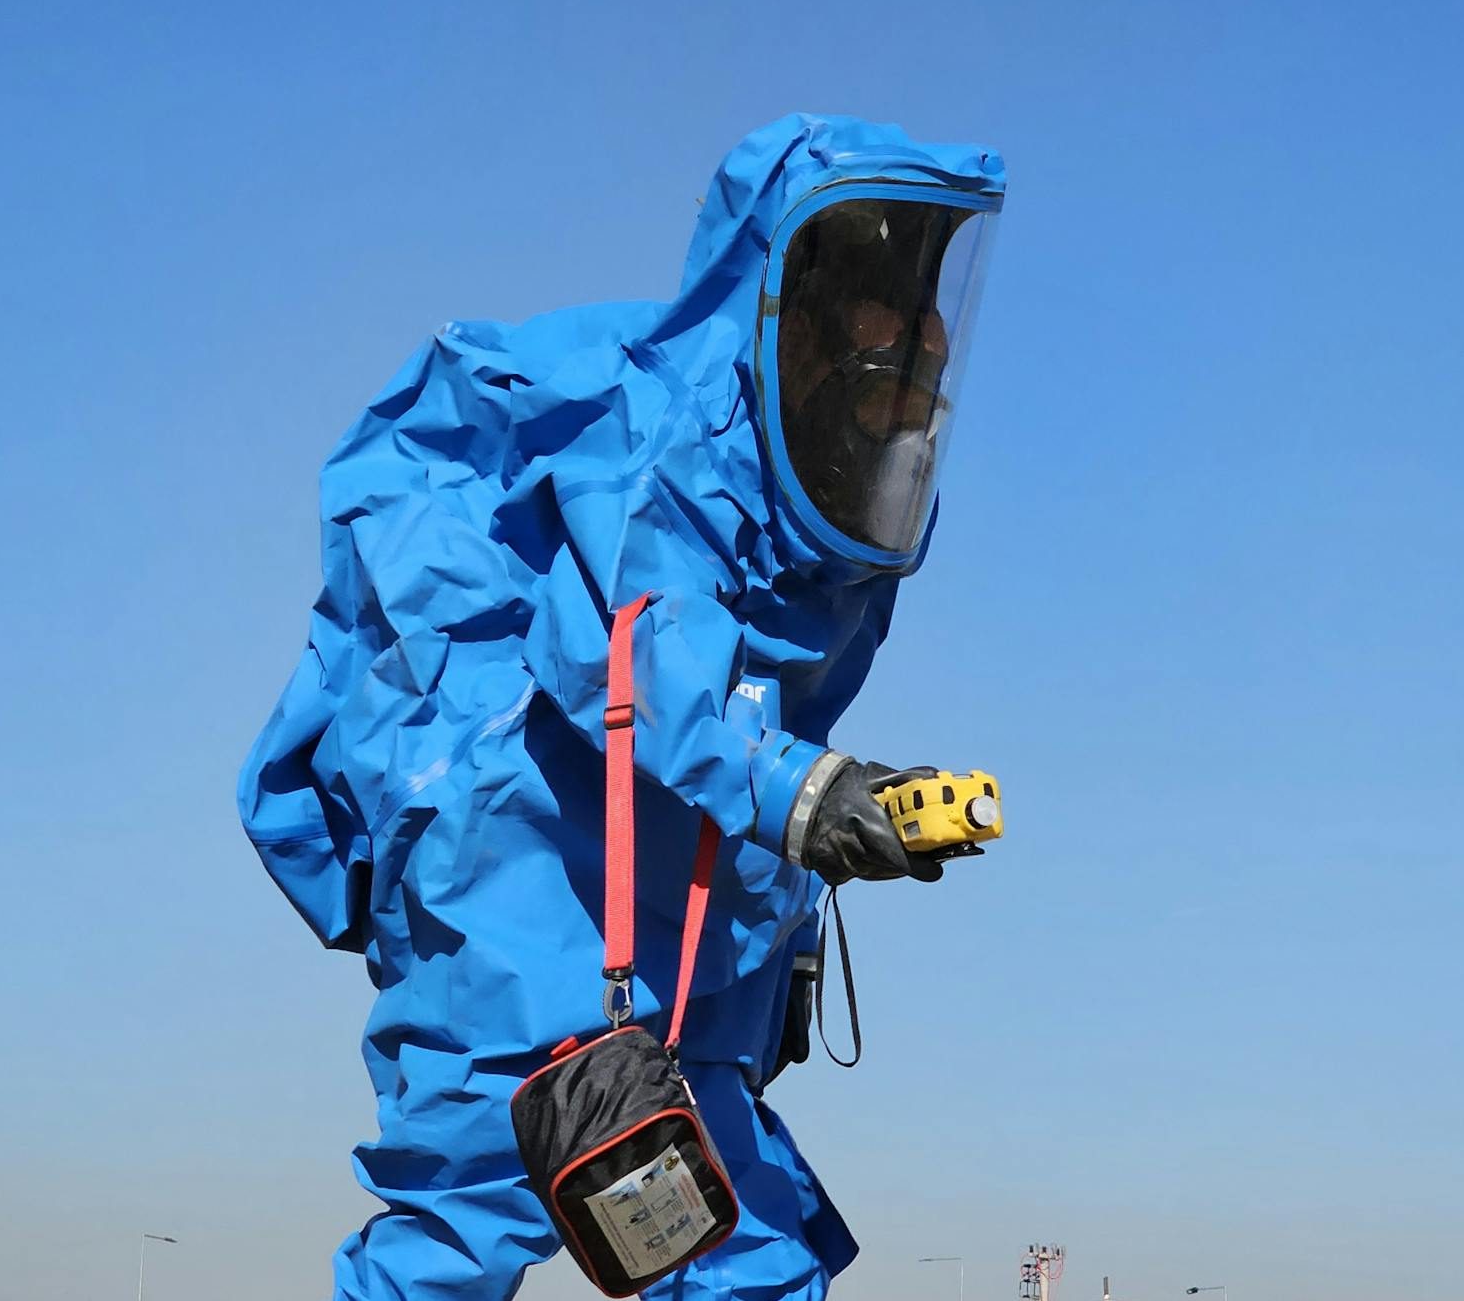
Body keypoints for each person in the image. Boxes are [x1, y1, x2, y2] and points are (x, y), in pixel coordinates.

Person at [239, 113, 1006, 1300]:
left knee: (739, 1223)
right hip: (517, 866)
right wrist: (807, 798)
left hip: (670, 898)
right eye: (885, 305)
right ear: (794, 313)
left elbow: (751, 705)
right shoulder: (661, 449)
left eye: (928, 307)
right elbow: (636, 666)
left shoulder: (820, 499)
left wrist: (794, 912)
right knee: (466, 1215)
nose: (919, 341)